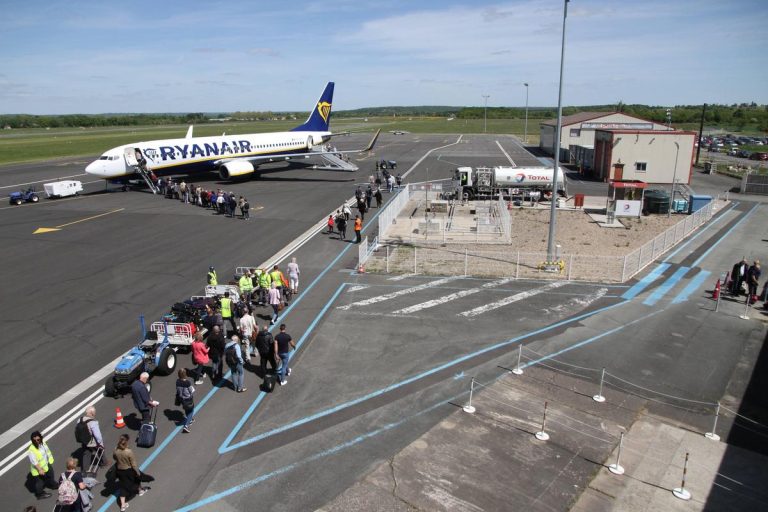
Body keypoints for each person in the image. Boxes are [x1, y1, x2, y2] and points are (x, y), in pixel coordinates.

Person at [113, 433, 148, 511]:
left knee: (123, 487)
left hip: (120, 471)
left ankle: (123, 505)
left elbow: (114, 458)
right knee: (136, 480)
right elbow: (133, 464)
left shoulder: (116, 450)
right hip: (129, 470)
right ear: (126, 442)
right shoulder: (129, 451)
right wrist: (137, 472)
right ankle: (140, 491)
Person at [76, 406, 105, 474]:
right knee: (100, 450)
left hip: (84, 441)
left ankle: (85, 470)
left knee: (86, 453)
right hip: (92, 442)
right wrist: (100, 443)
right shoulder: (93, 422)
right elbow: (98, 436)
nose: (95, 414)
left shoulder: (80, 420)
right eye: (94, 412)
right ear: (92, 413)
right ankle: (103, 463)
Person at [27, 431, 56, 500]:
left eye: (38, 439)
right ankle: (39, 494)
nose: (37, 441)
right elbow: (34, 461)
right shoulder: (31, 450)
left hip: (46, 464)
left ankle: (52, 484)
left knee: (51, 474)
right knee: (40, 482)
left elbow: (47, 451)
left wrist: (50, 459)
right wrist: (40, 469)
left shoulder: (43, 443)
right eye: (35, 440)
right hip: (38, 470)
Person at [175, 369, 196, 433]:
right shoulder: (187, 382)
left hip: (182, 399)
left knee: (187, 409)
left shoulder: (177, 381)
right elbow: (191, 390)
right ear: (185, 374)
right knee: (191, 411)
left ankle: (190, 419)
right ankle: (186, 426)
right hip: (188, 399)